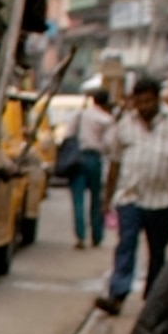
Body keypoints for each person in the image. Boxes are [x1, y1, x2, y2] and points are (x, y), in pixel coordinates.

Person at [98, 74, 168, 315]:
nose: (144, 107)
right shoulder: (126, 124)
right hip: (130, 198)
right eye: (140, 102)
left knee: (158, 251)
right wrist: (107, 199)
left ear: (157, 99)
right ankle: (117, 294)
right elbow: (115, 163)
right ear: (134, 101)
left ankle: (154, 298)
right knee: (126, 245)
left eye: (149, 102)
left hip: (163, 200)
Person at [59, 87, 115, 247]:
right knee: (96, 199)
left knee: (78, 199)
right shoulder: (107, 119)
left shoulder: (80, 115)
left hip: (77, 159)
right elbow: (110, 144)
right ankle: (97, 236)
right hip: (94, 159)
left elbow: (68, 135)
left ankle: (80, 236)